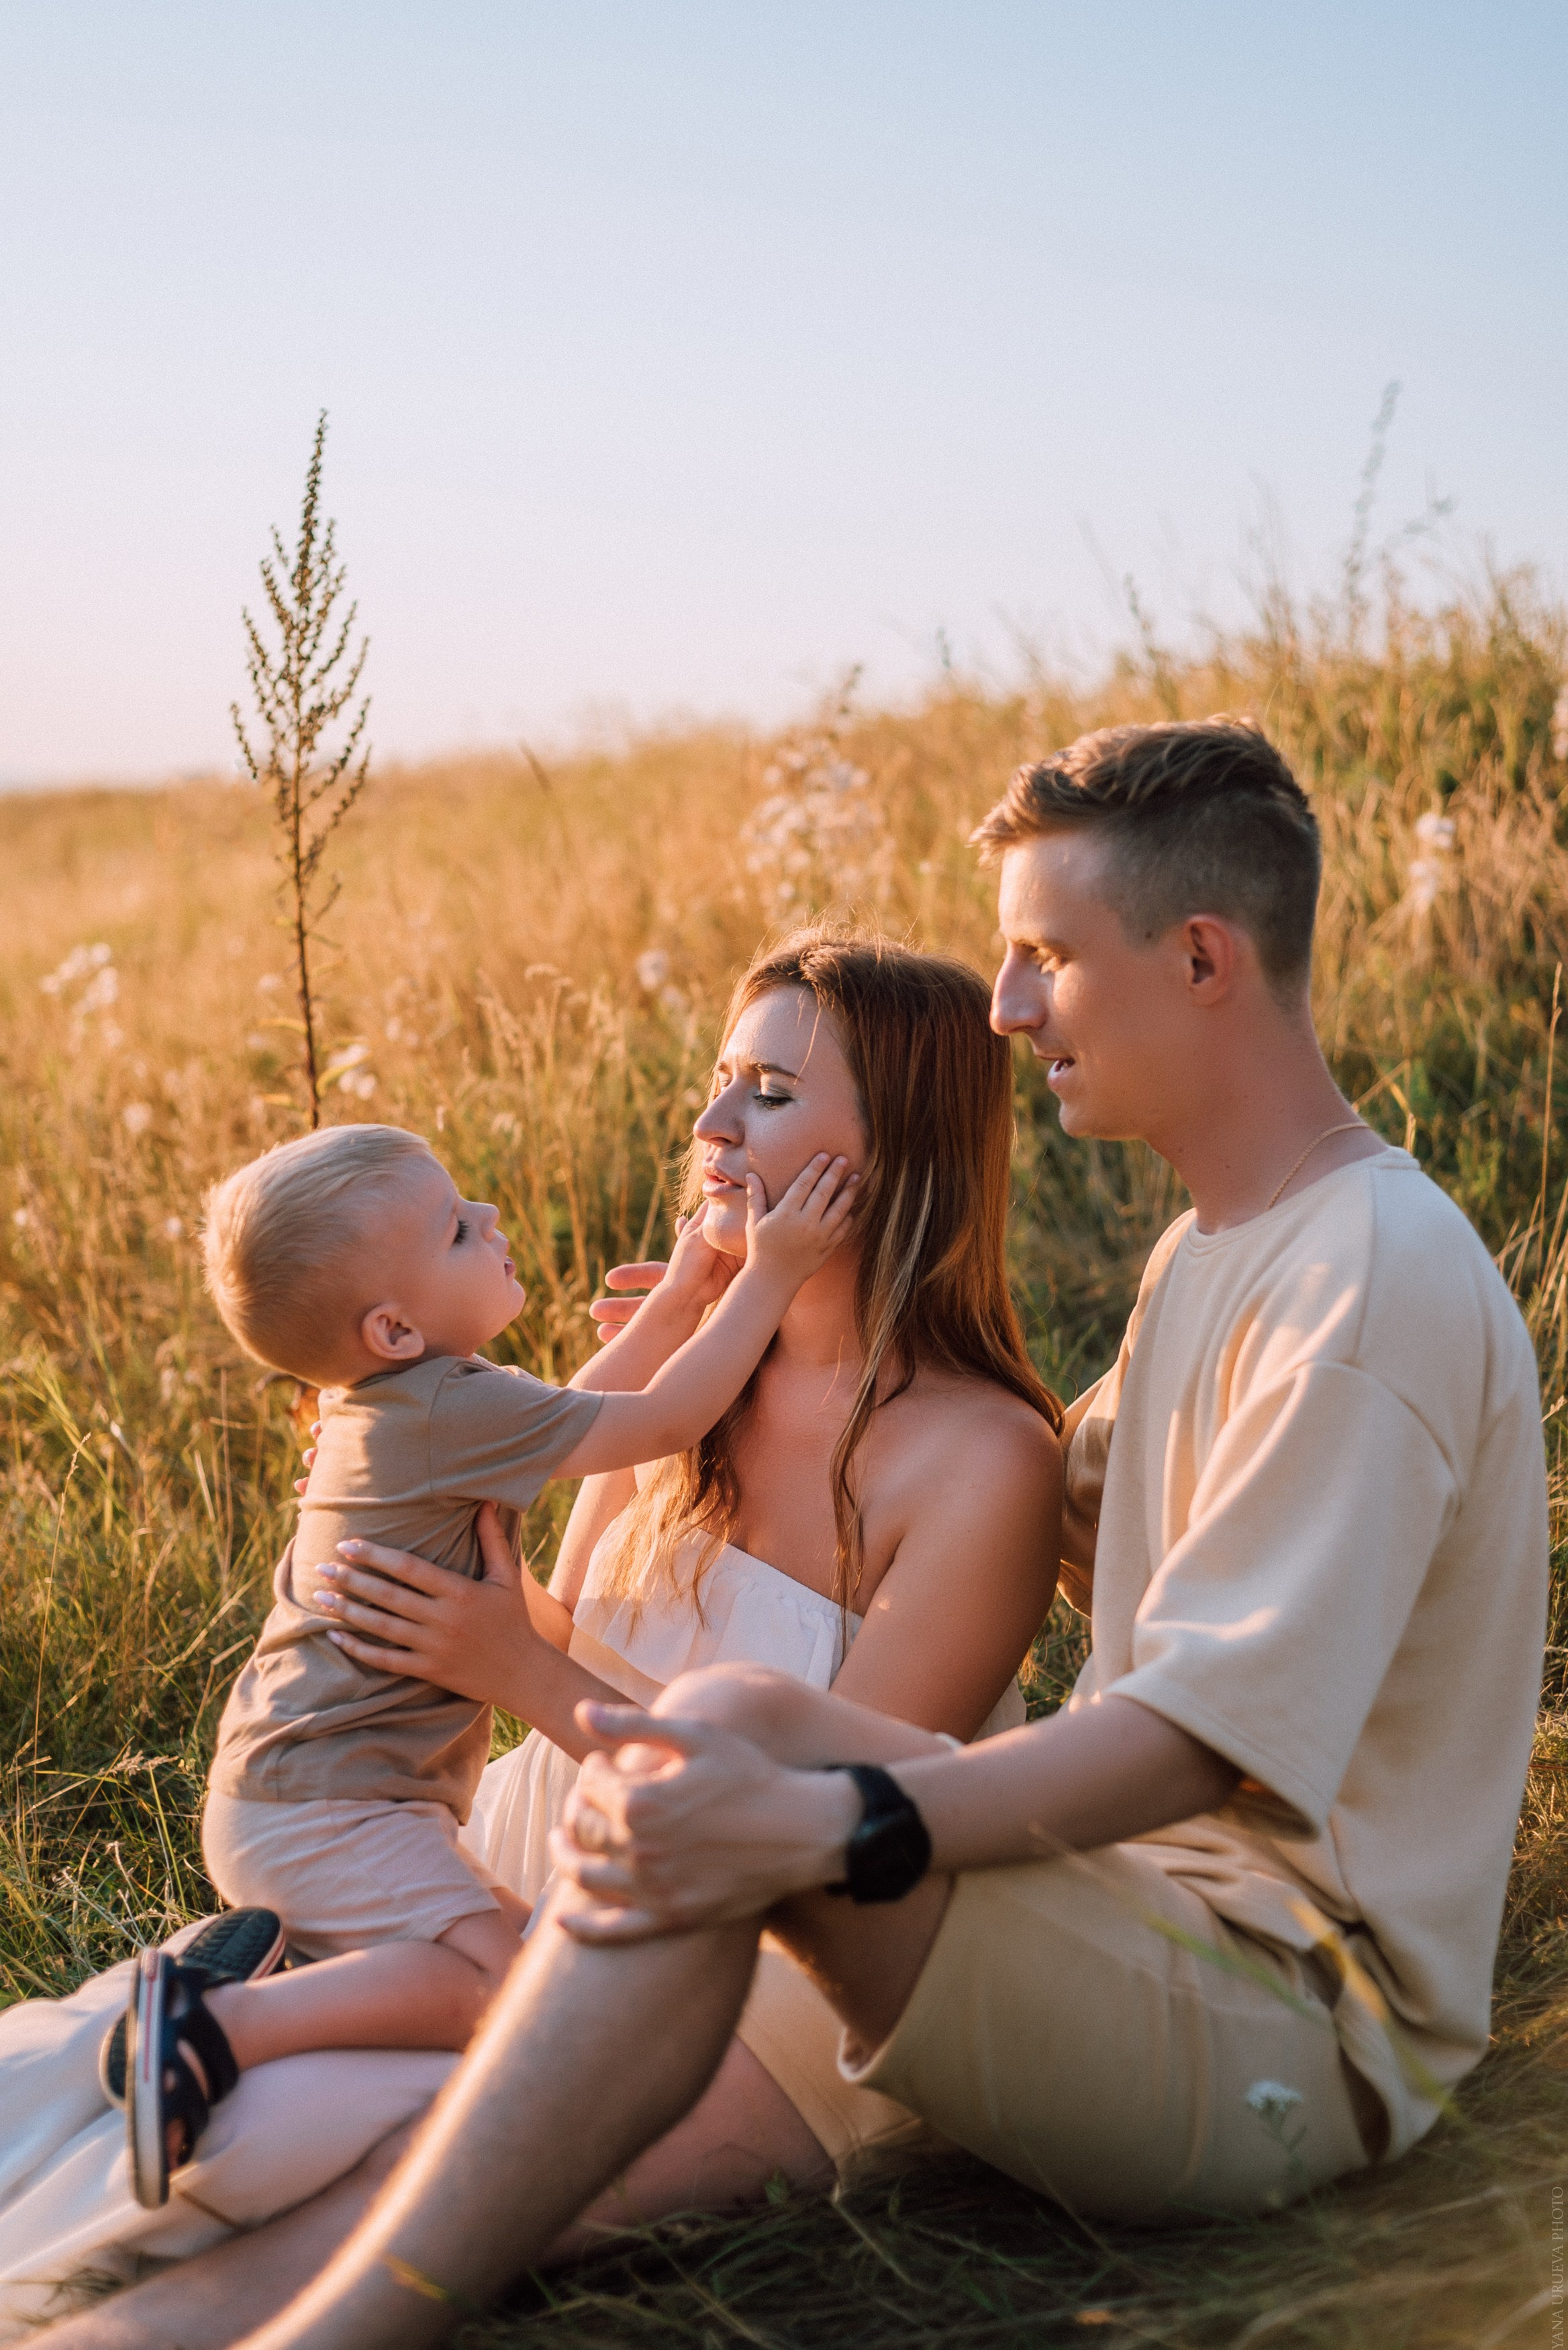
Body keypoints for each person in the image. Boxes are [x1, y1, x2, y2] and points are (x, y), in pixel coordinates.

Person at [3, 934, 1061, 2339]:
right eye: (719, 1082)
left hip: (750, 1983)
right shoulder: (681, 1389)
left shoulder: (983, 1462)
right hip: (520, 1849)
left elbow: (829, 1839)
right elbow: (579, 1632)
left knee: (318, 2177)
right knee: (87, 2107)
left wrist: (510, 1665)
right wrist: (427, 1611)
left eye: (767, 1091)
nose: (710, 1127)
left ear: (896, 1147)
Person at [118, 1121, 856, 2205]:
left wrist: (691, 1286)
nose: (495, 1222)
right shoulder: (439, 1413)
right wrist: (771, 1272)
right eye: (460, 1229)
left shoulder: (414, 1405)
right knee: (498, 1991)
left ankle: (292, 1975)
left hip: (305, 1792)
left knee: (514, 1946)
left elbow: (581, 1410)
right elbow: (660, 1417)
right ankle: (213, 2021)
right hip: (331, 1806)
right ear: (393, 1326)